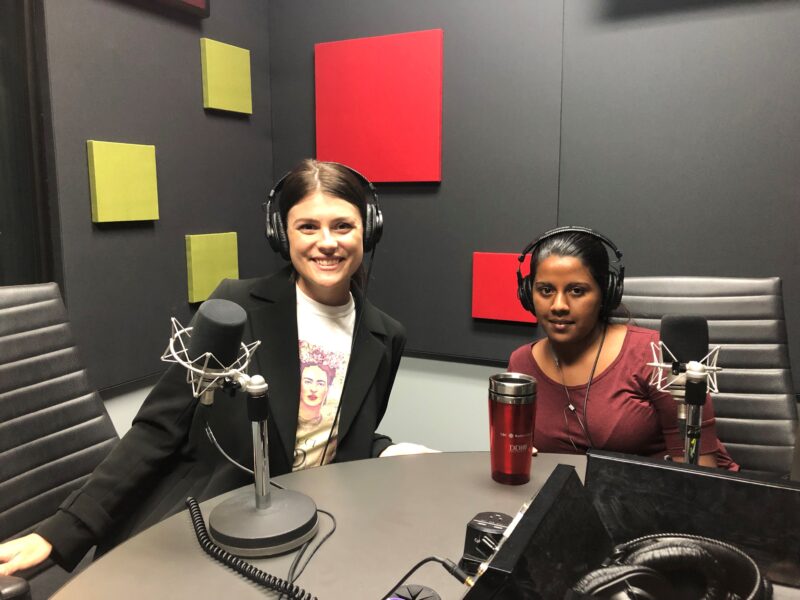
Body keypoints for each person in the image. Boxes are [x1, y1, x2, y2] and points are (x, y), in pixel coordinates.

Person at [0, 159, 408, 576]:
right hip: (212, 522)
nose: (327, 242)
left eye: (343, 226)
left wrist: (386, 449)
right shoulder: (235, 309)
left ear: (368, 230)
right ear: (281, 234)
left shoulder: (384, 337)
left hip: (311, 529)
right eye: (308, 227)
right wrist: (63, 530)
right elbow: (160, 429)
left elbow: (326, 429)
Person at [508, 226, 738, 470]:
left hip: (659, 496)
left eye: (577, 291)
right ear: (527, 293)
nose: (559, 305)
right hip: (570, 498)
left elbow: (700, 472)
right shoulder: (521, 365)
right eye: (546, 290)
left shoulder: (655, 355)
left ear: (605, 295)